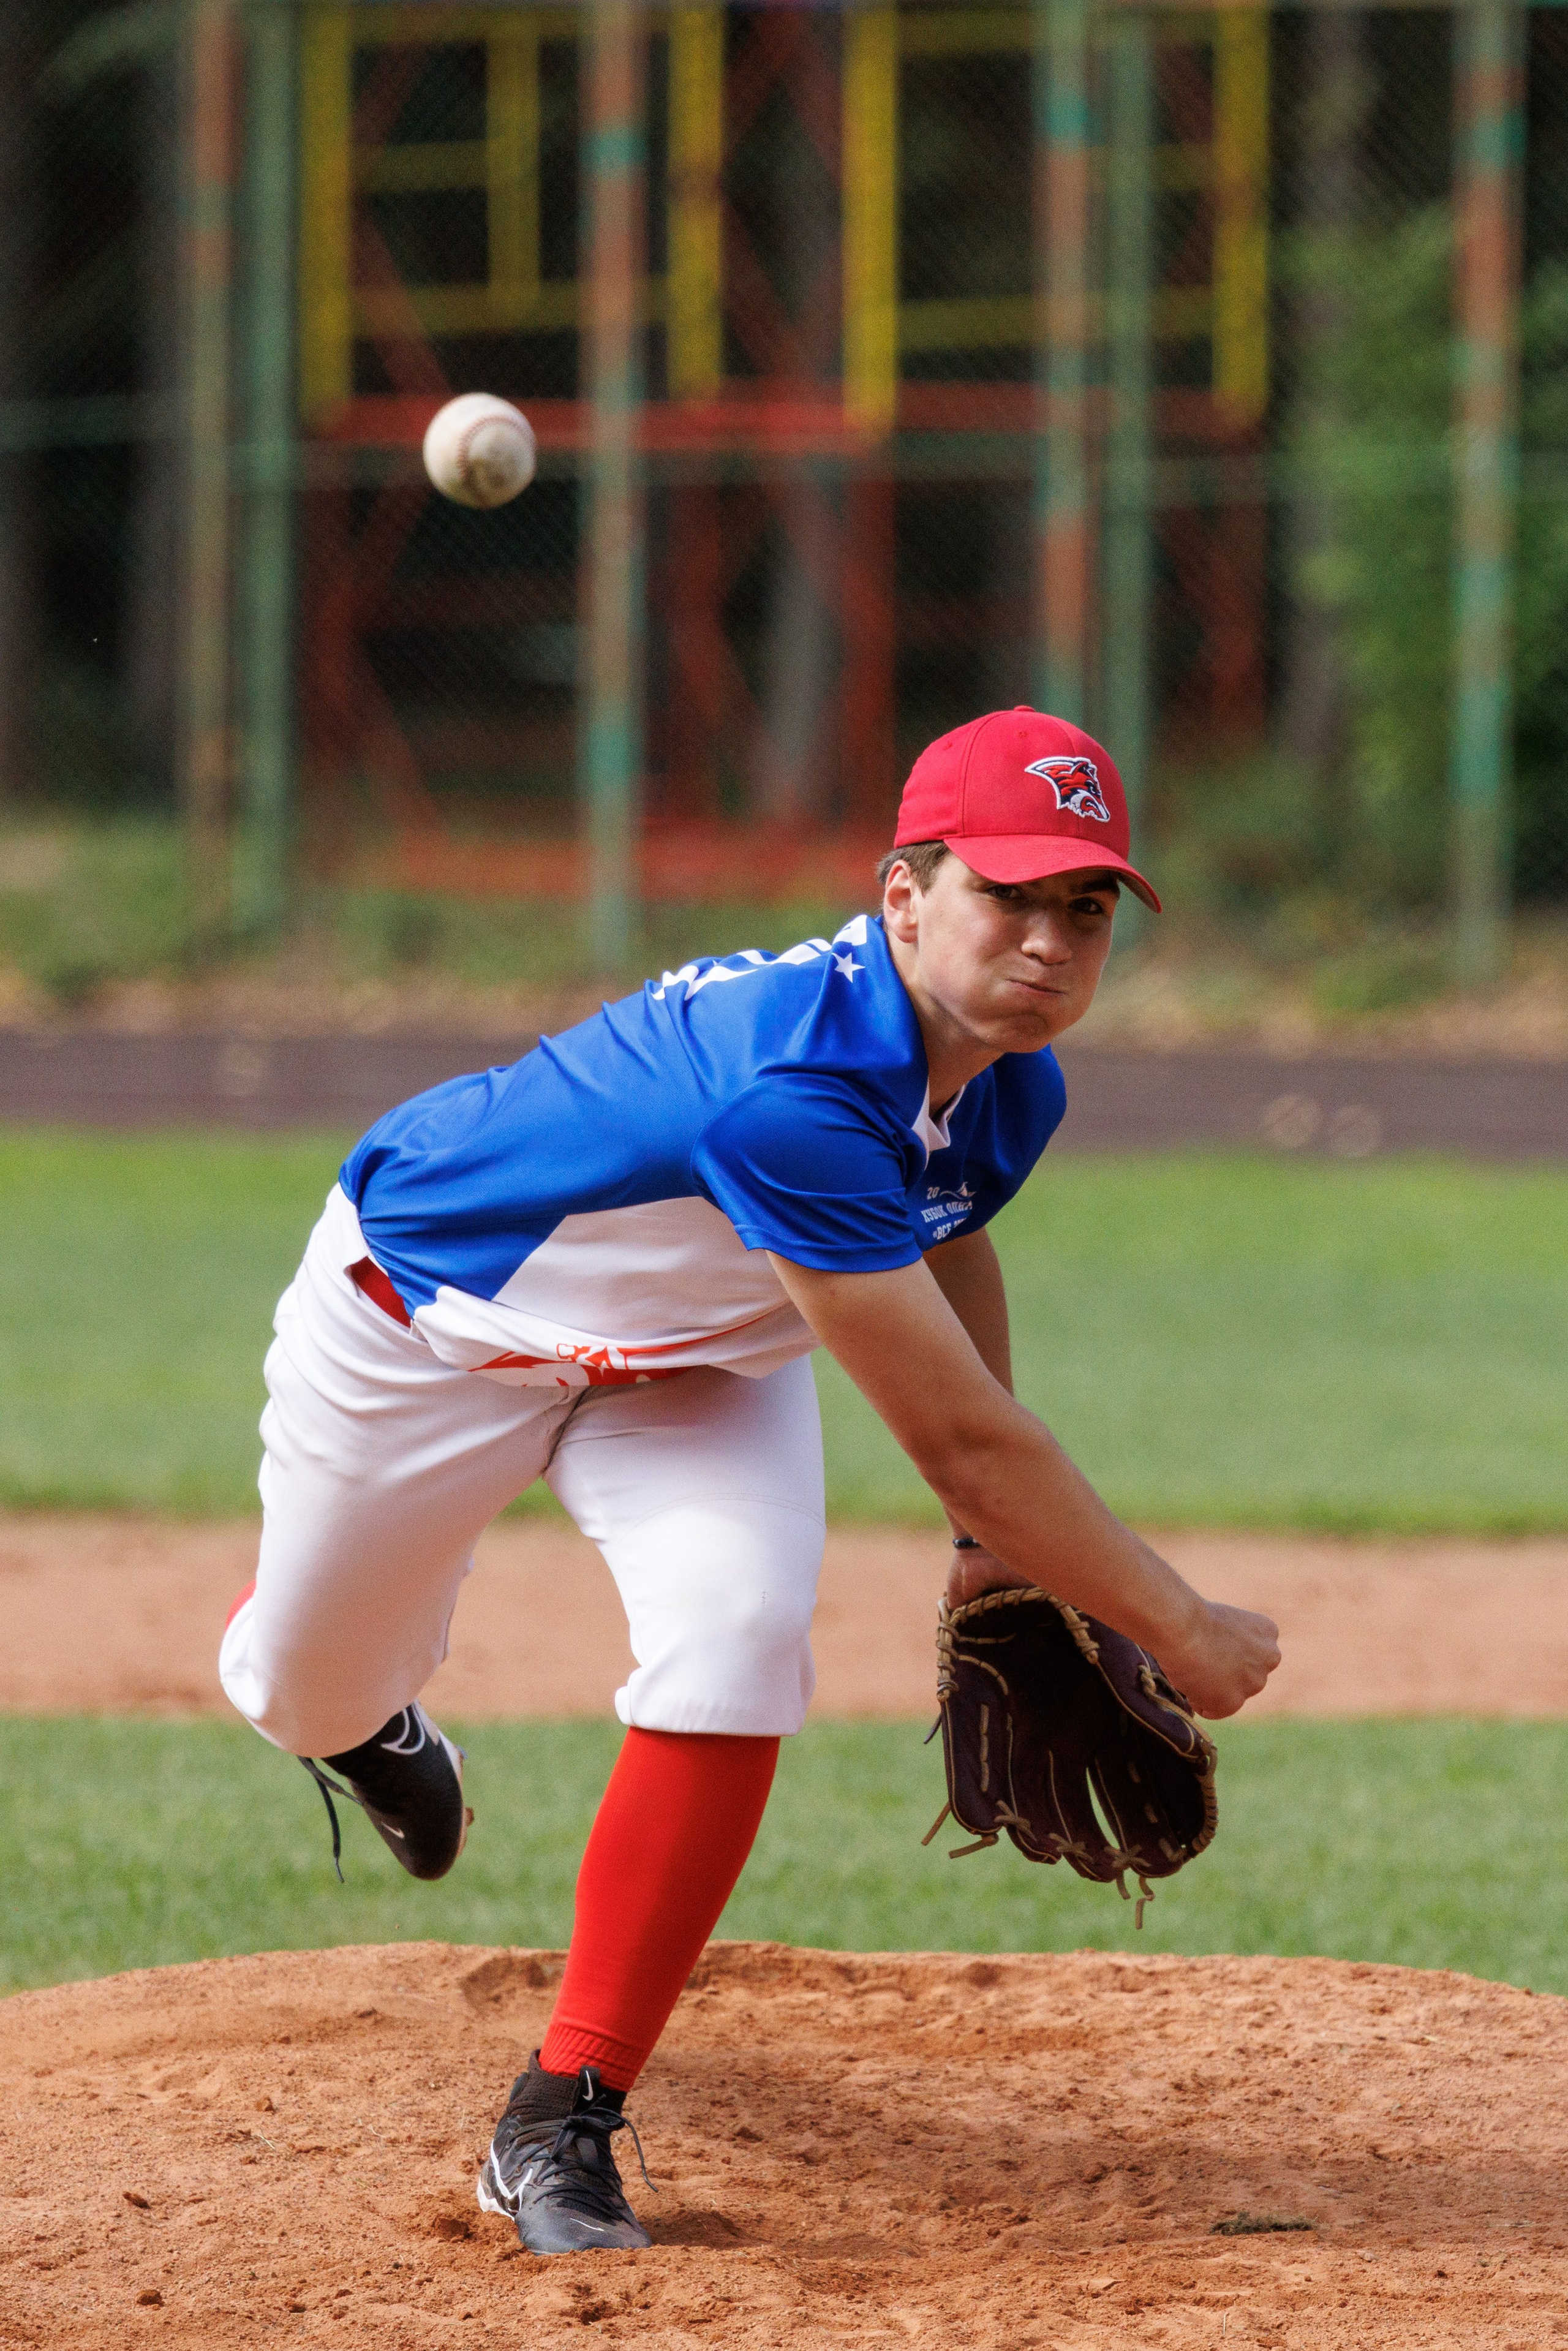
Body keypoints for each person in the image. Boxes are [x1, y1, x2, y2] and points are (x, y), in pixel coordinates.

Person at [219, 706, 1281, 2257]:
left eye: (1087, 904)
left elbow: (948, 1230)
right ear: (901, 895)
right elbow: (959, 1435)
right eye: (1011, 894)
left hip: (700, 1366)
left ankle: (560, 2114)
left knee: (737, 1634)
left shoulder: (1008, 1078)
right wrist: (1172, 1619)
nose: (1050, 940)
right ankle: (362, 1720)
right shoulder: (787, 1086)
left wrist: (991, 1545)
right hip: (430, 1330)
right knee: (304, 1689)